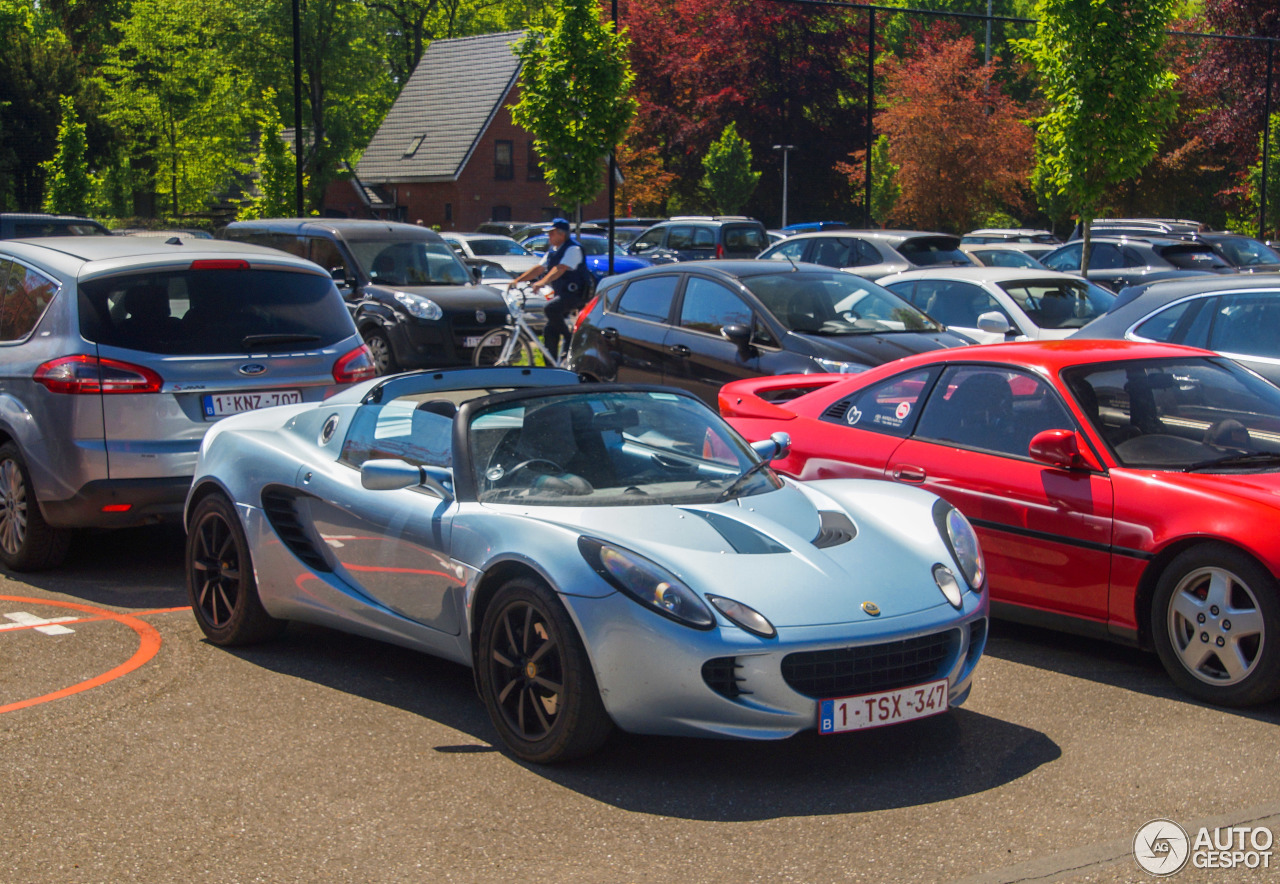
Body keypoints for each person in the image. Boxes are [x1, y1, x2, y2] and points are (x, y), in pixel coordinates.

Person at [507, 218, 592, 360]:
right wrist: (517, 280)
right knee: (549, 330)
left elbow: (560, 269)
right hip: (563, 295)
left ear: (562, 234)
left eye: (552, 233)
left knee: (550, 308)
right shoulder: (553, 251)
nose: (549, 237)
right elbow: (539, 268)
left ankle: (569, 338)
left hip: (576, 295)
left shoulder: (573, 249)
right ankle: (551, 365)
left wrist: (542, 282)